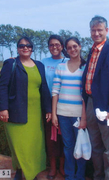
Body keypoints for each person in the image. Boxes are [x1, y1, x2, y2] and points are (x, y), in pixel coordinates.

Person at [0, 37, 52, 180]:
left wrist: (48, 109)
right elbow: (2, 87)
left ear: (32, 48)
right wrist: (3, 108)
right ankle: (21, 173)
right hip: (15, 113)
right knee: (20, 146)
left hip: (35, 114)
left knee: (34, 145)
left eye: (28, 45)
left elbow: (44, 88)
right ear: (17, 48)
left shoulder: (39, 65)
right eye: (22, 45)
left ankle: (31, 173)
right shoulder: (11, 64)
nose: (25, 48)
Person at [82, 15, 109, 180]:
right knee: (96, 147)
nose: (96, 33)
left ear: (106, 31)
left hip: (107, 107)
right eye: (93, 30)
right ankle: (98, 176)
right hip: (91, 104)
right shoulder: (92, 51)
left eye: (99, 30)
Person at [52, 37, 87, 180]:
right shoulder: (61, 67)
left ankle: (80, 176)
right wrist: (54, 114)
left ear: (80, 47)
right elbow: (55, 91)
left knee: (81, 145)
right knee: (68, 146)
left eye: (75, 46)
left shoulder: (86, 67)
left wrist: (84, 117)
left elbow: (86, 94)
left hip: (79, 114)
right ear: (66, 50)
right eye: (69, 47)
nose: (72, 50)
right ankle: (69, 175)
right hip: (63, 113)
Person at [41, 35, 67, 179]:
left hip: (64, 103)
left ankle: (62, 167)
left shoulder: (68, 62)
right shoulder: (43, 62)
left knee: (63, 137)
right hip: (47, 103)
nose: (54, 47)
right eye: (51, 45)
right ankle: (52, 167)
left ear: (62, 46)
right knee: (50, 138)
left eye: (57, 44)